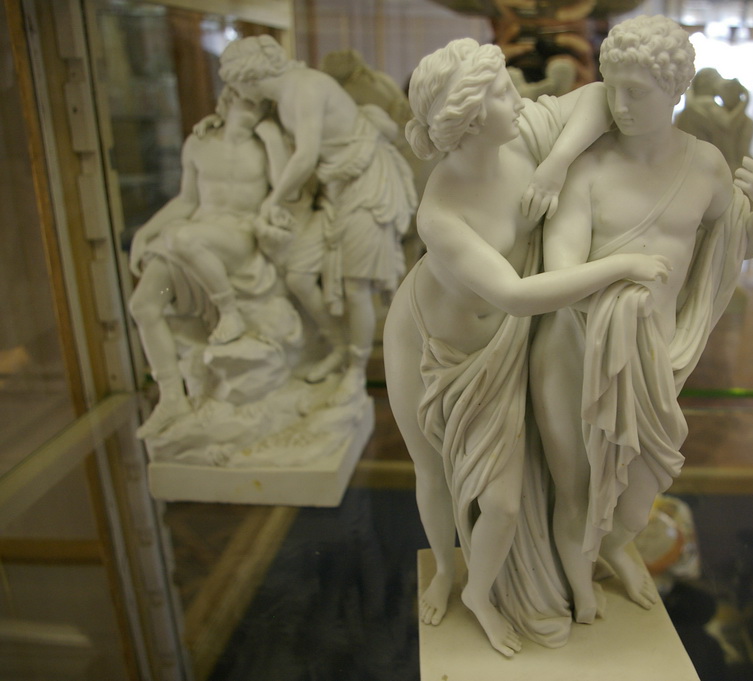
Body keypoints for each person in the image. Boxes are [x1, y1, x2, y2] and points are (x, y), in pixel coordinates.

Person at [383, 38, 669, 657]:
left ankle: (479, 593)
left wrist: (556, 163)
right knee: (431, 470)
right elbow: (515, 294)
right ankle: (446, 571)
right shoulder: (440, 213)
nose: (518, 97)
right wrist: (621, 266)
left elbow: (596, 98)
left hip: (502, 349)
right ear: (466, 120)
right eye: (500, 92)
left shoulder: (518, 139)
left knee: (505, 506)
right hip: (431, 345)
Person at [530, 15, 753, 624]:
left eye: (636, 91)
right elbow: (559, 274)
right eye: (612, 87)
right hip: (575, 349)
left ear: (674, 89)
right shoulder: (588, 170)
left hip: (657, 359)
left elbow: (735, 245)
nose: (618, 105)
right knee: (576, 487)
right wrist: (626, 277)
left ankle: (617, 545)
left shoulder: (705, 167)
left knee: (638, 491)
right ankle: (577, 585)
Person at [218, 36, 417, 391]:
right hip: (333, 192)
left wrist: (272, 201)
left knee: (357, 288)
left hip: (366, 186)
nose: (234, 92)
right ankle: (338, 347)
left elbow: (306, 156)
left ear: (247, 75)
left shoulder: (304, 87)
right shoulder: (282, 99)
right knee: (299, 276)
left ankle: (357, 368)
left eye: (233, 83)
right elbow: (277, 150)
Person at [129, 88, 282, 438]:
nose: (254, 106)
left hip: (238, 237)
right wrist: (145, 232)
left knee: (181, 237)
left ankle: (229, 311)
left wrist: (274, 139)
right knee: (144, 304)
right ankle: (172, 397)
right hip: (190, 237)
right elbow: (186, 201)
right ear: (227, 100)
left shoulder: (265, 144)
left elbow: (287, 191)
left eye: (261, 102)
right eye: (247, 98)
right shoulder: (198, 144)